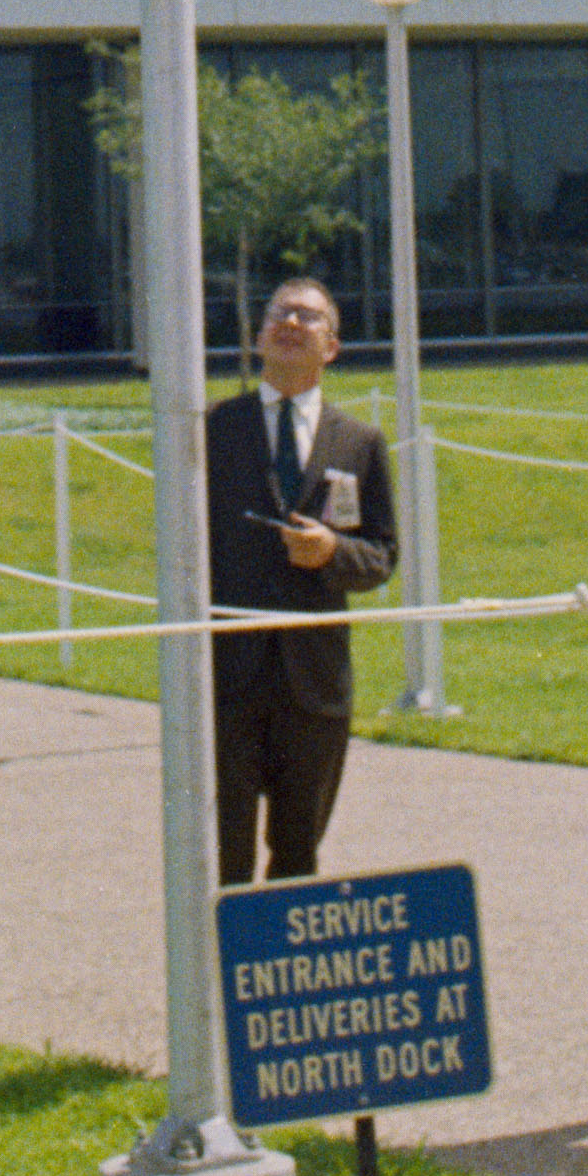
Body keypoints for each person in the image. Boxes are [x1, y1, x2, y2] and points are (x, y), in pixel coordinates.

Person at [204, 273, 397, 887]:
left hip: (313, 684)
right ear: (258, 337)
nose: (291, 324)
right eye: (279, 314)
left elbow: (383, 555)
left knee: (297, 860)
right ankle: (220, 981)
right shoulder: (212, 429)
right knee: (224, 859)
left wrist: (333, 551)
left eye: (309, 317)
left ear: (332, 347)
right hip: (227, 679)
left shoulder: (360, 442)